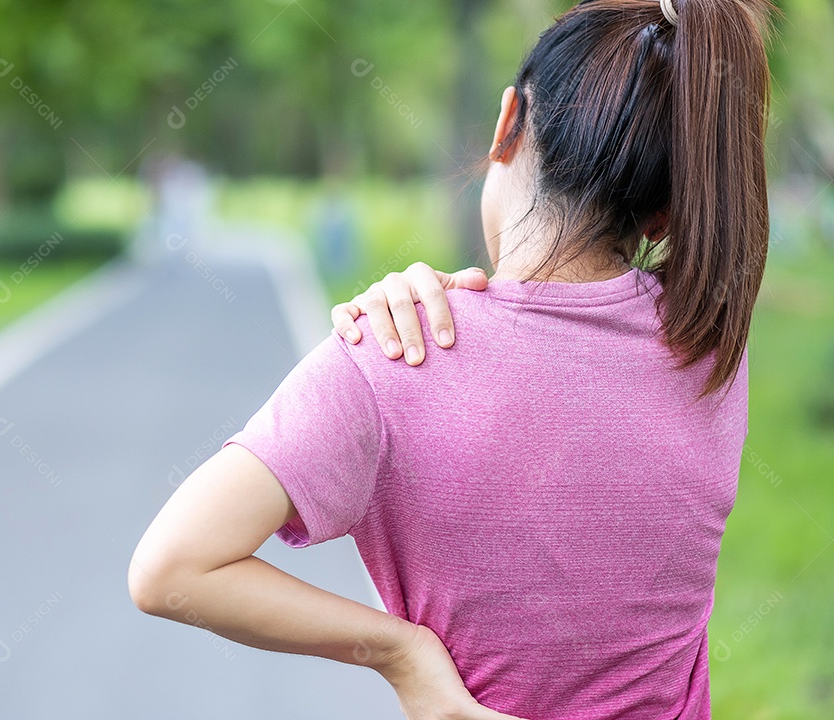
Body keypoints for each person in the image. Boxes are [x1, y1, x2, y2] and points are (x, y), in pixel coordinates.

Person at [128, 0, 772, 717]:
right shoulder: (713, 351)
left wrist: (401, 654)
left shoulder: (393, 359)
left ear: (507, 124)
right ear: (662, 213)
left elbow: (171, 568)